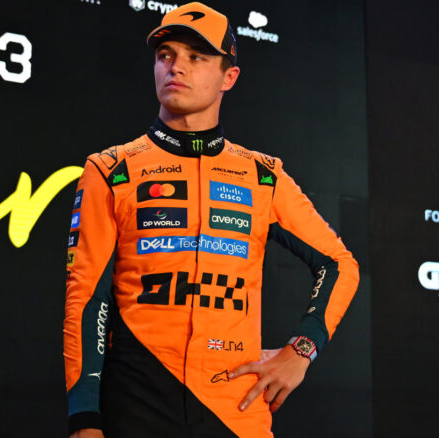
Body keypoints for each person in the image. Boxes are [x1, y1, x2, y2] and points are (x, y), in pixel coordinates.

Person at [62, 3, 360, 437]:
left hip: (236, 409)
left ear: (229, 77)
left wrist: (301, 350)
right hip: (136, 404)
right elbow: (87, 299)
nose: (176, 66)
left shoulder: (262, 175)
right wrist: (85, 419)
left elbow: (339, 264)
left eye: (196, 57)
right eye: (165, 55)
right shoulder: (110, 168)